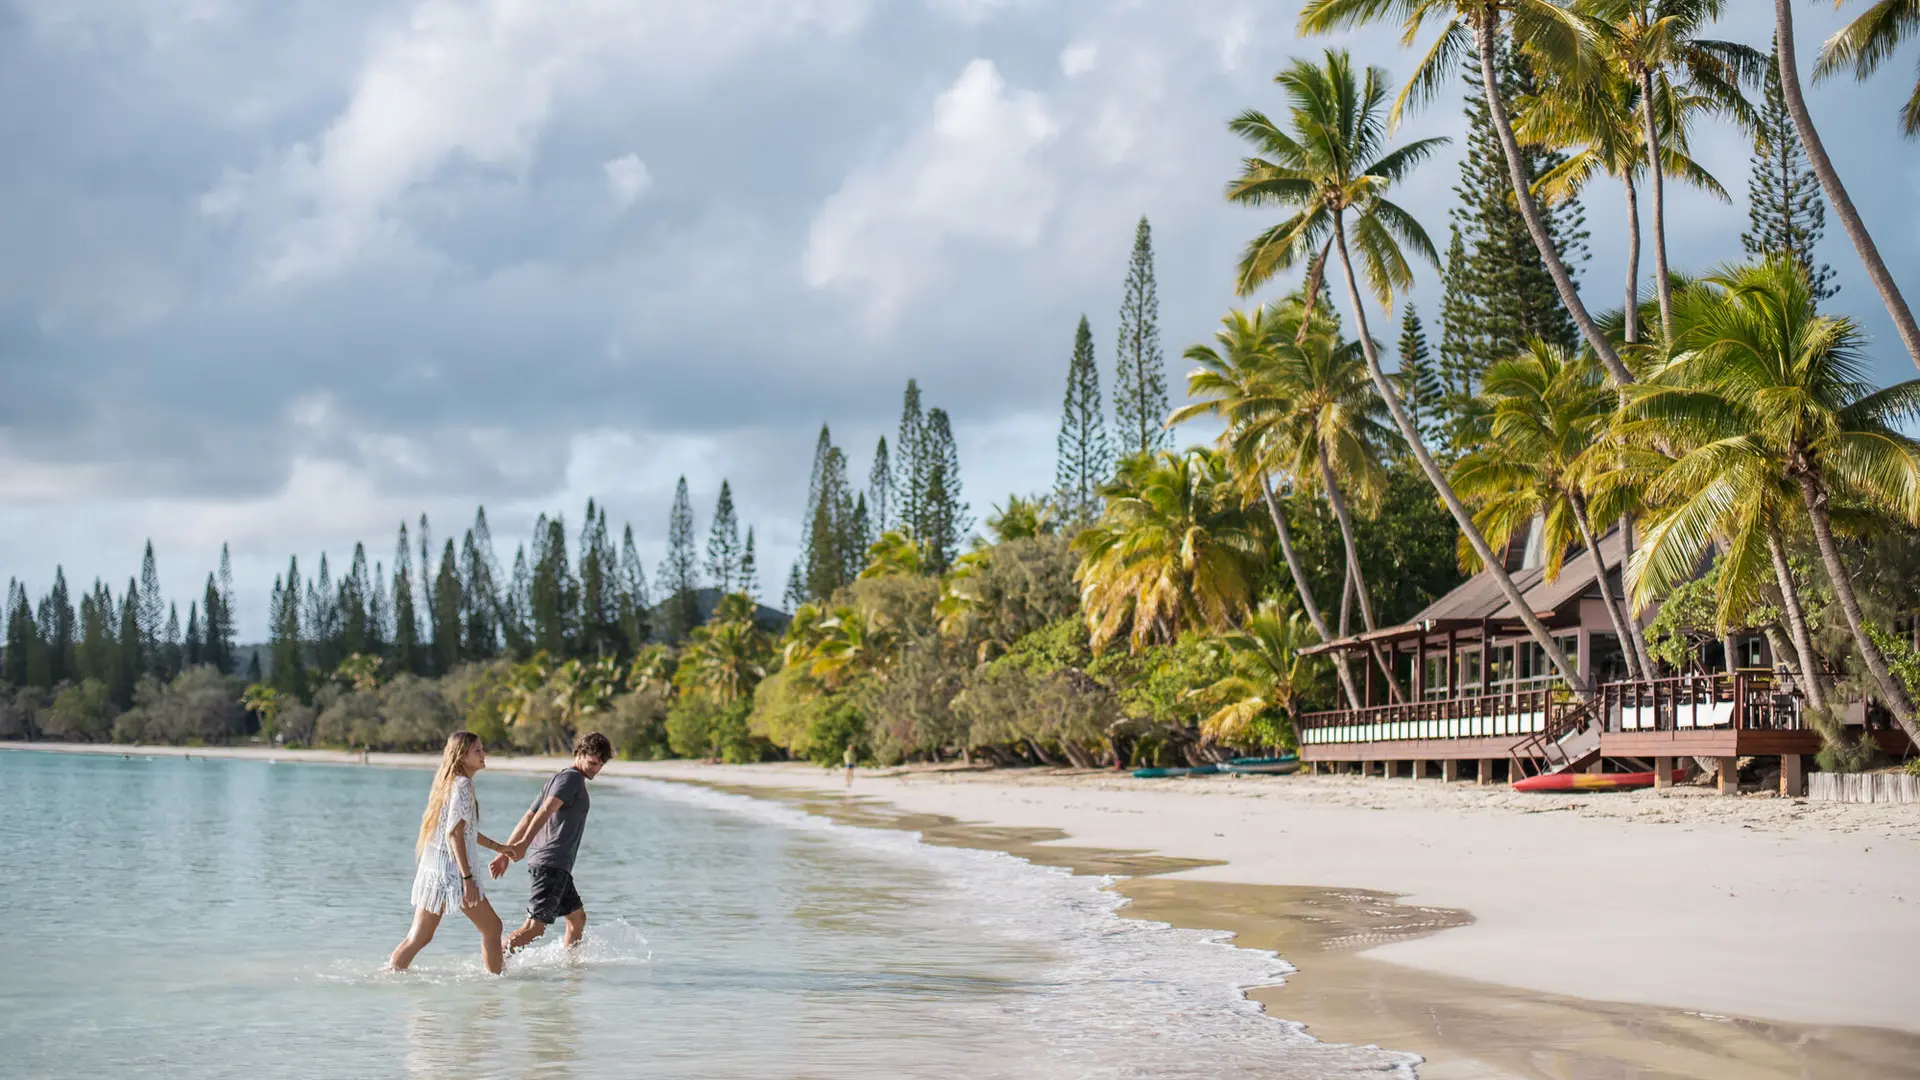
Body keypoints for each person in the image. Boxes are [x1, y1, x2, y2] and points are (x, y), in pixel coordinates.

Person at [389, 732, 514, 974]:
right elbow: (455, 835)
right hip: (453, 873)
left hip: (436, 869)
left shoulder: (450, 782)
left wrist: (498, 848)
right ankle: (497, 985)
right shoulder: (463, 785)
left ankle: (391, 974)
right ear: (462, 756)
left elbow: (465, 831)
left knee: (420, 937)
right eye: (477, 751)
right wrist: (467, 879)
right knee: (492, 928)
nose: (483, 754)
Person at [493, 732, 610, 954]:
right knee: (534, 929)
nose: (596, 769)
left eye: (600, 765)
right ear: (579, 753)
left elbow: (528, 816)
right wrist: (523, 844)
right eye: (592, 762)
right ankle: (495, 964)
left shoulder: (558, 779)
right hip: (552, 864)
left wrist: (504, 853)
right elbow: (545, 811)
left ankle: (571, 970)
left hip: (554, 865)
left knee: (577, 919)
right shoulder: (571, 779)